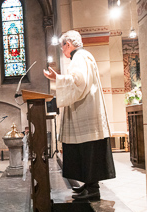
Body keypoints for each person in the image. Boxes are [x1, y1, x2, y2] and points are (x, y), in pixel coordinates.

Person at [43, 30, 115, 200]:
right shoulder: (83, 56)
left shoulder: (79, 57)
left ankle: (92, 189)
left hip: (85, 112)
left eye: (62, 47)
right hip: (86, 110)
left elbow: (79, 81)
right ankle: (89, 185)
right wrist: (60, 79)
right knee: (87, 149)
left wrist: (58, 79)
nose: (62, 51)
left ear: (68, 44)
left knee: (88, 149)